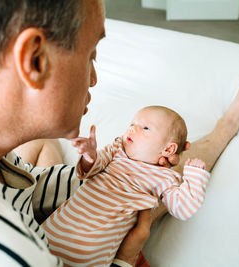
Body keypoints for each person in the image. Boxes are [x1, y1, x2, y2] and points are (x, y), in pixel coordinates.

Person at [0, 0, 239, 266]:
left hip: (47, 194)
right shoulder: (12, 255)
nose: (94, 78)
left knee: (50, 152)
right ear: (35, 60)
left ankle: (226, 126)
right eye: (91, 56)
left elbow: (41, 185)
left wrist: (95, 167)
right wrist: (125, 256)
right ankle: (228, 126)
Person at [42, 106, 210, 266]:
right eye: (132, 124)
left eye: (145, 128)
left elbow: (183, 209)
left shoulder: (165, 177)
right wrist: (90, 156)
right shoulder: (117, 150)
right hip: (54, 231)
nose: (132, 129)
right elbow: (88, 170)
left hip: (91, 251)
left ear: (168, 149)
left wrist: (195, 177)